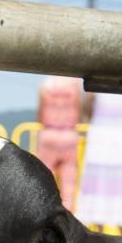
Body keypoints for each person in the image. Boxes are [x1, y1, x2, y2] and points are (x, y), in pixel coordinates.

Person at [76, 93, 122, 235]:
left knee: (99, 182)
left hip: (102, 130)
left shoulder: (99, 75)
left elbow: (88, 102)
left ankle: (99, 231)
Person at [36, 76, 82, 211]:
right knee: (69, 184)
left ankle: (43, 211)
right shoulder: (75, 85)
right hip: (69, 134)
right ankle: (67, 216)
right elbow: (80, 109)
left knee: (44, 179)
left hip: (48, 133)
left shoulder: (46, 84)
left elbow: (40, 111)